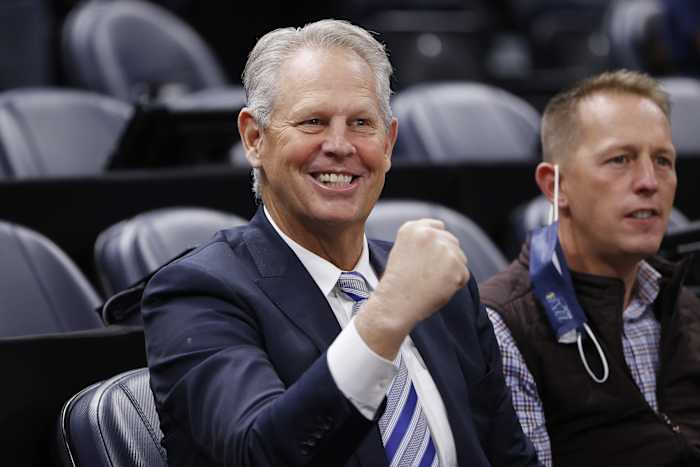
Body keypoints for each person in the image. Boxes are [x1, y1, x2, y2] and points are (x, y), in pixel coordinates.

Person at [141, 19, 539, 467]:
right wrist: (386, 315)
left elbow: (509, 457)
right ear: (255, 139)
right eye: (313, 121)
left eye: (361, 123)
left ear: (388, 144)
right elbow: (260, 455)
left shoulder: (442, 292)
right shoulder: (197, 292)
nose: (339, 145)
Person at [480, 70, 700, 467]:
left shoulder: (685, 306)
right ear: (555, 186)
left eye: (663, 161)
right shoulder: (503, 325)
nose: (649, 181)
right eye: (621, 160)